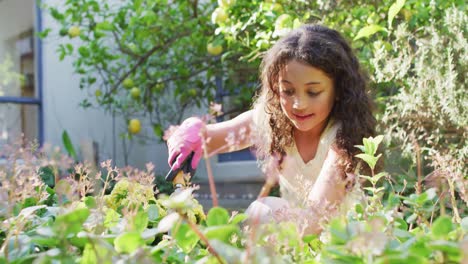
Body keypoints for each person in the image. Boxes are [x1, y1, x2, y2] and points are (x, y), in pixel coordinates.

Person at [166, 24, 376, 235]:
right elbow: (209, 139)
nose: (298, 104)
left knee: (263, 213)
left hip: (346, 246)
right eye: (288, 91)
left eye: (313, 92)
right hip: (296, 244)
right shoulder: (274, 121)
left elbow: (313, 222)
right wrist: (189, 133)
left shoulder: (344, 139)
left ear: (338, 90)